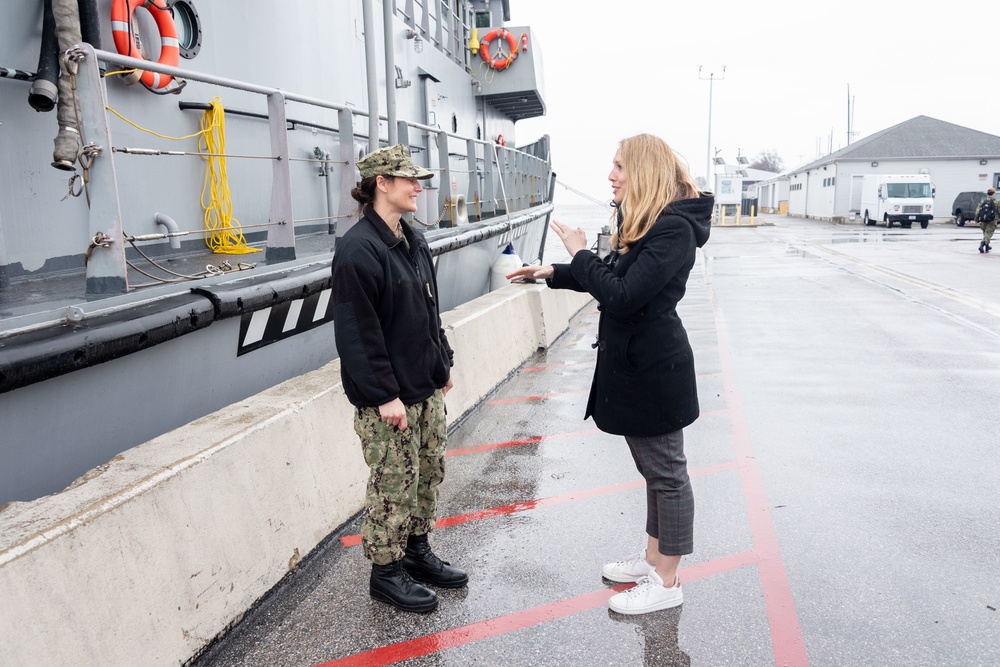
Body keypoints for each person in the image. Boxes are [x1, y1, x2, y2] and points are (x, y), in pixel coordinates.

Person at [506, 133, 713, 615]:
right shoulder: (650, 223)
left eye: (619, 167)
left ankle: (667, 580)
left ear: (642, 172)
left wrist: (580, 252)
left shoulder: (673, 230)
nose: (611, 175)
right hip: (639, 366)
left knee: (668, 474)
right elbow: (615, 276)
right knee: (653, 471)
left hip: (656, 370)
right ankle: (653, 559)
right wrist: (552, 272)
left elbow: (621, 295)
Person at [331, 144, 467, 613]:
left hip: (423, 385)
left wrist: (442, 362)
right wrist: (384, 395)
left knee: (427, 473)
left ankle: (416, 552)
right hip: (389, 398)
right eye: (408, 179)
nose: (418, 186)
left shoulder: (412, 238)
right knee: (393, 482)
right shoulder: (357, 250)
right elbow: (356, 334)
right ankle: (385, 574)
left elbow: (427, 309)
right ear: (380, 185)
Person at [975, 187, 998, 253]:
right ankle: (981, 245)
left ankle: (987, 246)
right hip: (992, 220)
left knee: (985, 233)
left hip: (983, 220)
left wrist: (976, 219)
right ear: (993, 194)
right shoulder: (996, 202)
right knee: (988, 233)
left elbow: (977, 211)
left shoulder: (983, 201)